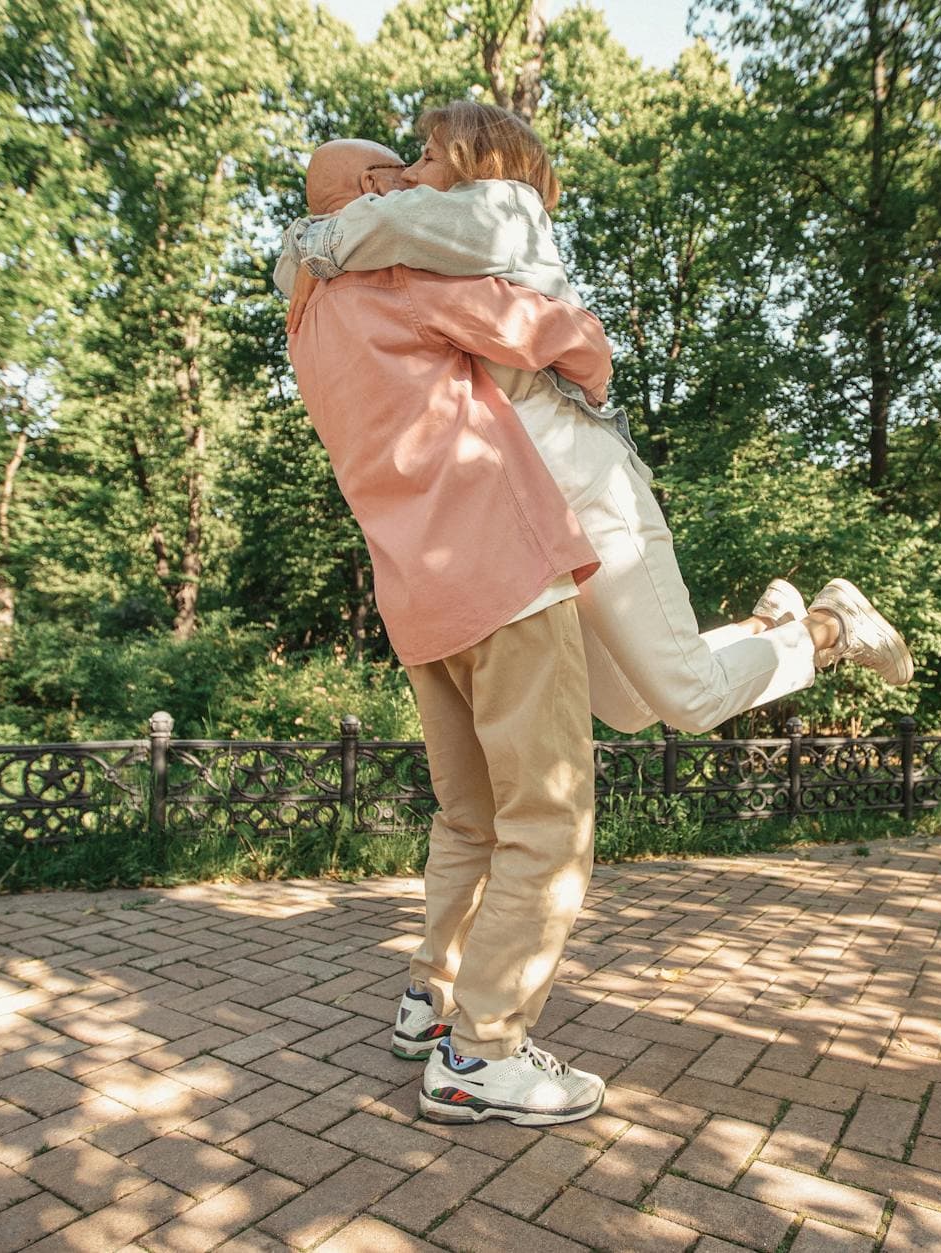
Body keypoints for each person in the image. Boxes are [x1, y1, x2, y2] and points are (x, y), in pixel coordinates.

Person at [277, 103, 913, 749]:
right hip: (535, 513)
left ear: (477, 161)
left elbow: (361, 231)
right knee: (627, 705)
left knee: (691, 698)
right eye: (405, 162)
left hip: (584, 481)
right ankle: (767, 626)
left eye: (427, 156)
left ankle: (833, 624)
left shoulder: (501, 208)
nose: (411, 174)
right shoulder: (434, 243)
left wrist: (310, 243)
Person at [287, 137, 610, 1127]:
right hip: (502, 572)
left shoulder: (305, 324)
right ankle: (481, 1053)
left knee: (467, 817)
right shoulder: (391, 276)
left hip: (419, 605)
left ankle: (429, 999)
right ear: (368, 197)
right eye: (395, 172)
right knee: (549, 823)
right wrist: (593, 356)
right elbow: (534, 326)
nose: (413, 183)